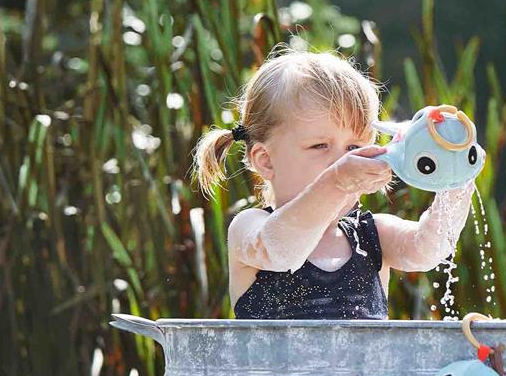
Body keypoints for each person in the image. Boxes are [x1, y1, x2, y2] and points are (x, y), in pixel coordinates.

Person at [191, 46, 474, 319]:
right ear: (265, 160)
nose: (341, 161)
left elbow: (428, 250)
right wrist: (337, 182)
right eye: (320, 146)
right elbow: (280, 251)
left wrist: (456, 175)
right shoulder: (249, 228)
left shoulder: (372, 235)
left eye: (353, 148)